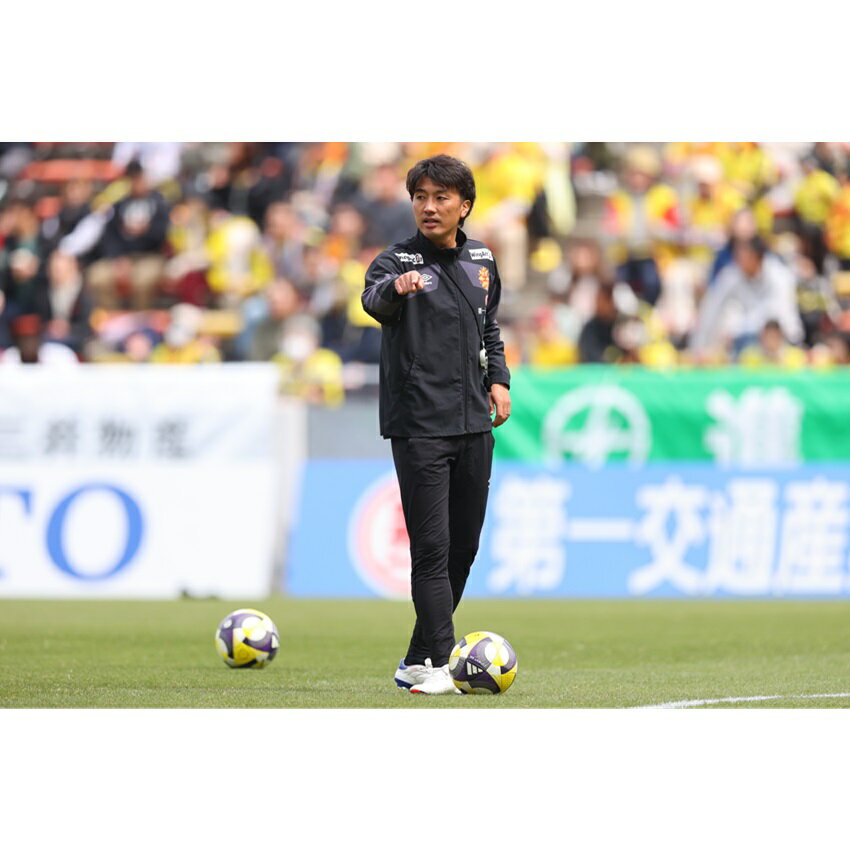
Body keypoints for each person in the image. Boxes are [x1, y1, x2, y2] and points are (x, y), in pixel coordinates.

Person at [361, 154, 511, 696]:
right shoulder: (394, 261)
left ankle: (415, 660)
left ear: (463, 205)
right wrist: (395, 290)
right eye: (420, 197)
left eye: (440, 197)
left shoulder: (482, 259)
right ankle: (445, 664)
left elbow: (488, 326)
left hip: (473, 421)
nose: (428, 207)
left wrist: (499, 379)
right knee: (431, 549)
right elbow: (372, 301)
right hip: (419, 424)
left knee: (463, 548)